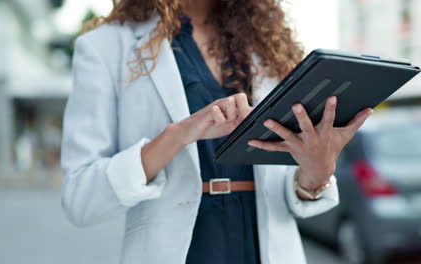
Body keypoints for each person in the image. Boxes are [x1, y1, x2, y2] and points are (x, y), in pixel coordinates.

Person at [61, 0, 373, 263]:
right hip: (183, 249)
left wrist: (316, 173)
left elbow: (285, 186)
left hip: (262, 246)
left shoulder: (267, 46)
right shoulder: (105, 47)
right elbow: (81, 199)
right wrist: (175, 136)